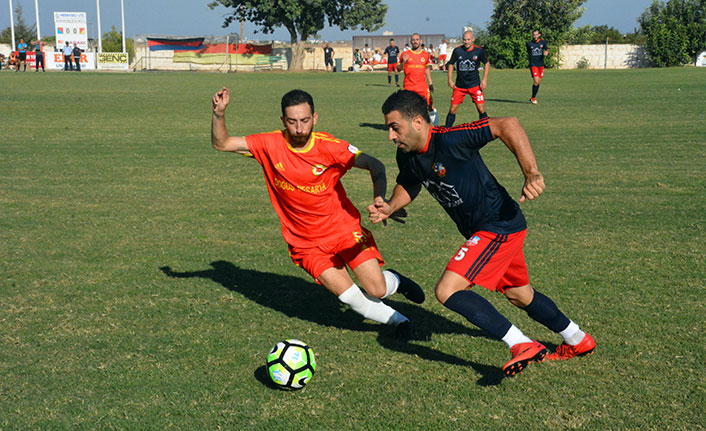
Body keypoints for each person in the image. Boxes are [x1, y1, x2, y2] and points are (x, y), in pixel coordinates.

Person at [370, 90, 596, 376]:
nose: (390, 136)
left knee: (447, 290)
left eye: (394, 128)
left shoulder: (451, 139)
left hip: (498, 224)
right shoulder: (407, 155)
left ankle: (522, 344)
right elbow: (411, 183)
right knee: (519, 294)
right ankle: (578, 340)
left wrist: (532, 173)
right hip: (486, 230)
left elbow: (508, 124)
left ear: (417, 122)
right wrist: (390, 206)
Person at [210, 87, 425, 341]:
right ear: (283, 121)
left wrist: (380, 198)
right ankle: (402, 323)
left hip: (343, 229)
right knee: (350, 297)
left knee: (376, 289)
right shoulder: (269, 144)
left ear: (315, 118)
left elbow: (374, 164)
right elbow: (222, 143)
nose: (299, 128)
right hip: (306, 243)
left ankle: (397, 281)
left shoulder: (329, 147)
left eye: (304, 120)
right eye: (292, 122)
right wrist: (219, 114)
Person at [445, 30, 490, 126]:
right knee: (453, 109)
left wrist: (484, 80)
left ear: (473, 39)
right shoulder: (457, 51)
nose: (466, 42)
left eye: (468, 40)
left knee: (481, 108)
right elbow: (451, 64)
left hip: (475, 85)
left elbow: (486, 63)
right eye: (464, 40)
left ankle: (485, 129)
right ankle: (446, 131)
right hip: (460, 86)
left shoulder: (479, 51)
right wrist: (449, 79)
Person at [398, 33, 438, 126]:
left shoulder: (425, 55)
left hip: (422, 86)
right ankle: (412, 128)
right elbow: (398, 69)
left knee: (430, 106)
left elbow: (427, 68)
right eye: (413, 40)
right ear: (411, 42)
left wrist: (430, 83)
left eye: (417, 39)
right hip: (409, 86)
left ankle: (437, 127)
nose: (415, 41)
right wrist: (403, 62)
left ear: (420, 41)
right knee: (409, 109)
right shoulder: (405, 54)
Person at [526, 29, 549, 104]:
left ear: (539, 35)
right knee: (536, 81)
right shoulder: (529, 44)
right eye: (533, 35)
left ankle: (533, 97)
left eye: (536, 34)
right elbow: (528, 53)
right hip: (533, 65)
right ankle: (533, 98)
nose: (535, 36)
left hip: (541, 65)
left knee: (538, 82)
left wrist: (547, 52)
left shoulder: (543, 42)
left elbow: (547, 49)